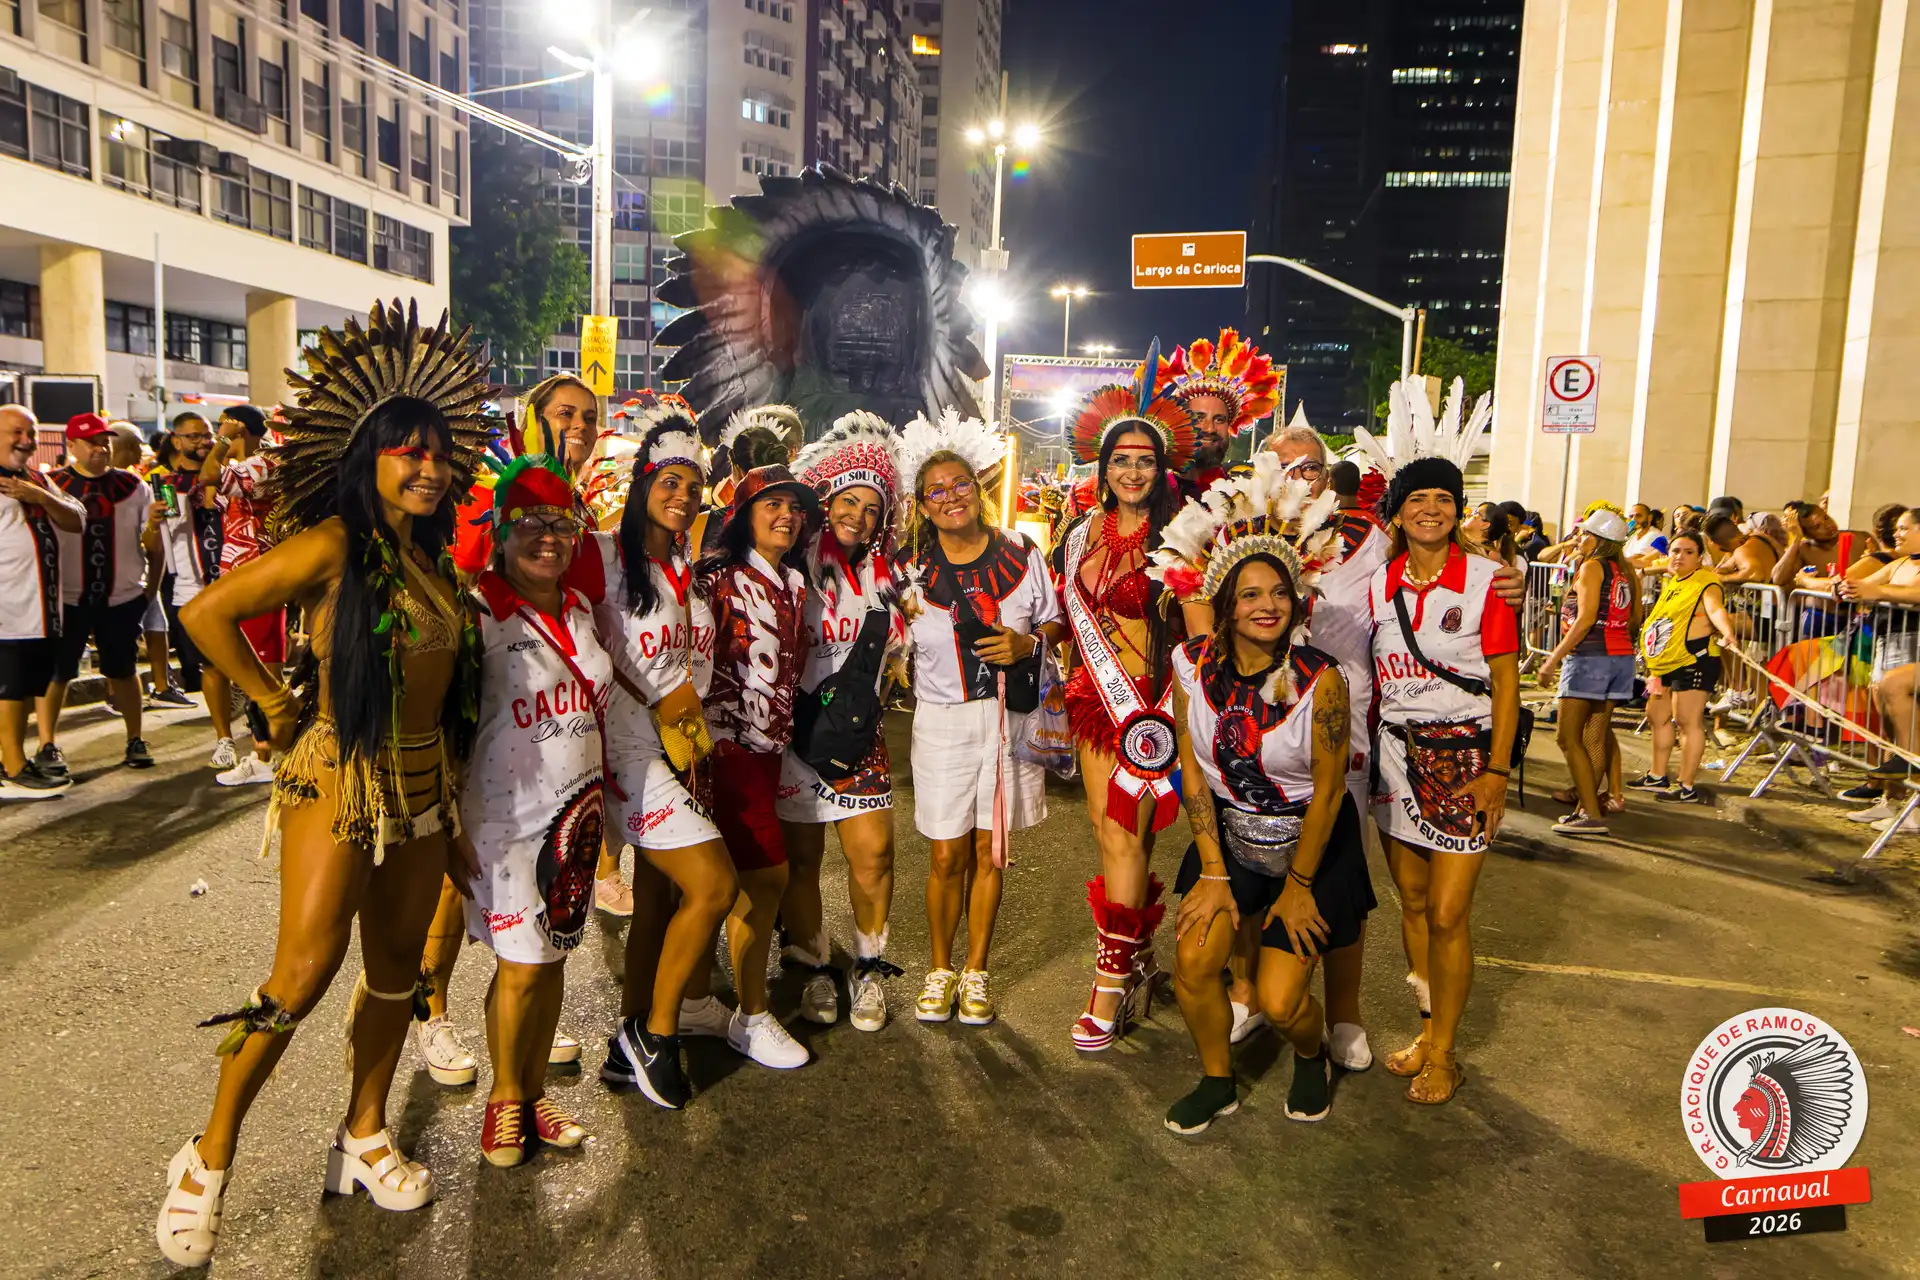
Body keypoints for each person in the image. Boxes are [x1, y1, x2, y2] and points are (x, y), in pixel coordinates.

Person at [154, 301, 490, 1267]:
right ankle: (208, 1155)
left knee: (397, 975)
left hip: (423, 791)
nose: (428, 469)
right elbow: (208, 613)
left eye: (439, 456)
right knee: (300, 977)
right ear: (368, 458)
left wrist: (455, 818)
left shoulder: (430, 562)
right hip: (340, 779)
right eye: (408, 453)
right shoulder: (335, 545)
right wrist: (269, 700)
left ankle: (365, 1135)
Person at [1147, 455, 1363, 1133]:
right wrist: (1213, 871)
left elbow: (1329, 792)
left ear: (1297, 600)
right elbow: (1192, 770)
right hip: (1232, 838)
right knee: (1192, 962)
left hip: (1314, 844)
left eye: (1279, 593)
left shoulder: (1323, 680)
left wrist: (1299, 886)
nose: (1267, 605)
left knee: (1282, 999)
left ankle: (1310, 1055)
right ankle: (1218, 1081)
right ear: (1224, 604)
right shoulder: (1190, 667)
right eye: (1249, 595)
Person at [1367, 376, 1520, 1106]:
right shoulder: (1379, 583)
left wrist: (1498, 771)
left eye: (1444, 499)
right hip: (1394, 759)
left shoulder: (1489, 581)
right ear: (1397, 512)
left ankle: (1448, 1054)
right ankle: (1428, 1031)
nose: (1430, 509)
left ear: (1459, 510)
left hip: (1465, 760)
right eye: (1417, 499)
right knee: (1413, 902)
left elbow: (1507, 684)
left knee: (1450, 914)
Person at [459, 456, 609, 1166]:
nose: (548, 539)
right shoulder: (478, 613)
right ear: (501, 532)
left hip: (576, 815)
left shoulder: (579, 608)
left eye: (561, 525)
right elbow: (446, 726)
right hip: (505, 823)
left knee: (552, 961)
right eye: (530, 525)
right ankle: (505, 1099)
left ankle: (533, 1091)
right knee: (520, 966)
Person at [898, 409, 1065, 1027]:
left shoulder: (1022, 551)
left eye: (960, 484)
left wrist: (1028, 644)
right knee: (947, 855)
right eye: (936, 491)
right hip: (941, 721)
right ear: (922, 504)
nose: (950, 497)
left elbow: (1054, 620)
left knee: (990, 850)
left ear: (978, 487)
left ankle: (976, 971)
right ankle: (940, 970)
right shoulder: (907, 569)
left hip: (1006, 720)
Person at [588, 405, 734, 1108]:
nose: (682, 496)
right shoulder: (600, 553)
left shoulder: (680, 565)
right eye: (669, 481)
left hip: (679, 745)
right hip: (626, 753)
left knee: (655, 903)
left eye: (693, 486)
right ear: (643, 481)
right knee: (714, 885)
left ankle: (627, 1040)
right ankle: (659, 1033)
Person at [1057, 376, 1195, 1051]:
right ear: (1103, 467)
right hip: (1092, 701)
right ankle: (1137, 960)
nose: (1132, 472)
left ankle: (1109, 982)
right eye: (1121, 460)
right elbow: (1064, 616)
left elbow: (1200, 631)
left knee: (1125, 840)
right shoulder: (1081, 532)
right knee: (1108, 833)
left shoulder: (1182, 535)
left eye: (1144, 461)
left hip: (1151, 708)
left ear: (1161, 469)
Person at [776, 412, 911, 1032]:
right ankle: (810, 963)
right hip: (790, 737)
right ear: (826, 501)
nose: (858, 516)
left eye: (871, 509)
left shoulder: (891, 577)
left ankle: (868, 966)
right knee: (801, 862)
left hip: (858, 737)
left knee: (874, 854)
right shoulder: (788, 564)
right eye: (848, 502)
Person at [692, 463, 819, 1067]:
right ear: (743, 516)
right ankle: (752, 1014)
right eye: (772, 505)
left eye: (794, 507)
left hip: (770, 754)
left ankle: (695, 999)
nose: (786, 516)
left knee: (734, 881)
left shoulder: (794, 581)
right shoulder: (716, 580)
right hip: (726, 752)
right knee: (764, 877)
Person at [34, 413, 158, 774]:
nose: (101, 448)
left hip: (121, 597)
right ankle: (46, 745)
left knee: (124, 670)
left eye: (105, 442)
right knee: (57, 673)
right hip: (66, 598)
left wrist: (149, 592)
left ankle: (135, 738)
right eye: (91, 443)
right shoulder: (51, 485)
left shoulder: (134, 486)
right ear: (72, 446)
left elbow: (153, 541)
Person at [1537, 508, 1640, 836]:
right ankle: (1586, 808)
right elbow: (1634, 618)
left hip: (1590, 658)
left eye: (1584, 534)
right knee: (1594, 737)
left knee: (1568, 737)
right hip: (1619, 657)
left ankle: (1591, 813)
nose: (1578, 538)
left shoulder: (1593, 567)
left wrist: (1552, 659)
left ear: (1597, 539)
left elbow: (1585, 618)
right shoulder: (1625, 570)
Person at [0, 404, 84, 798]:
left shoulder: (37, 479)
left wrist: (41, 496)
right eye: (16, 432)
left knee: (25, 686)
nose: (26, 441)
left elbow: (76, 520)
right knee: (9, 687)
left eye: (31, 433)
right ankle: (13, 768)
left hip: (43, 609)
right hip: (7, 608)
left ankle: (12, 760)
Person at [153, 411, 243, 768]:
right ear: (176, 441)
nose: (203, 441)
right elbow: (161, 539)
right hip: (192, 588)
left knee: (245, 661)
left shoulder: (225, 474)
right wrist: (153, 523)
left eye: (207, 435)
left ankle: (257, 732)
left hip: (235, 583)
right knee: (210, 666)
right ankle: (224, 739)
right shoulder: (165, 483)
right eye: (194, 436)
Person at [199, 404, 281, 786]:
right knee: (253, 670)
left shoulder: (262, 465)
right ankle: (266, 752)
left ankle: (266, 756)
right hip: (242, 581)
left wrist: (221, 444)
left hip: (258, 580)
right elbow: (208, 495)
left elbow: (209, 474)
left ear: (240, 430)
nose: (217, 437)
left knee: (263, 671)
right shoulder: (246, 468)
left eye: (224, 429)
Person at [1632, 531, 1738, 803]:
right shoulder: (1674, 581)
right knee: (1657, 716)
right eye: (1676, 551)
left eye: (1689, 552)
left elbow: (1715, 609)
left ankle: (1686, 785)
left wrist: (1727, 631)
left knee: (1687, 721)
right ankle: (1657, 775)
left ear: (1700, 557)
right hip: (1665, 662)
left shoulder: (1707, 582)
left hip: (1695, 660)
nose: (1680, 556)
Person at [1838, 507, 1920, 835]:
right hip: (1886, 642)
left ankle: (1913, 797)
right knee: (1887, 720)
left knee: (1902, 709)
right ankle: (1893, 798)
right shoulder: (1899, 563)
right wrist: (1845, 587)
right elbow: (1861, 584)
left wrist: (1879, 592)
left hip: (1910, 644)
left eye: (1903, 528)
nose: (1895, 534)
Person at [110, 423, 186, 710]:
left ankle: (149, 687)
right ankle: (156, 687)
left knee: (154, 624)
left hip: (148, 564)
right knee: (150, 625)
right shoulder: (157, 479)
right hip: (147, 566)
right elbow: (170, 523)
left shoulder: (147, 479)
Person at [1155, 329, 1280, 494]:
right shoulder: (1152, 494)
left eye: (1219, 419)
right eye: (1199, 417)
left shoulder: (1246, 497)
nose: (1209, 428)